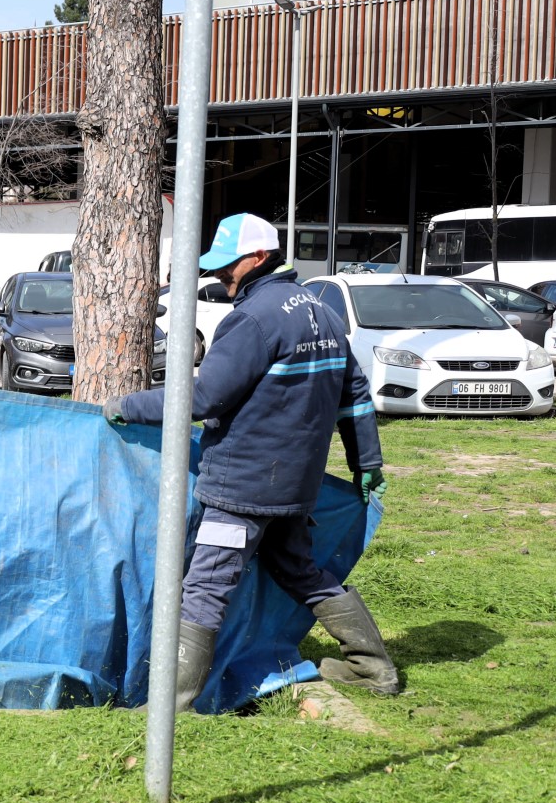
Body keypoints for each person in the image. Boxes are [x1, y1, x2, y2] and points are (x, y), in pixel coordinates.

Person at [105, 212, 399, 712]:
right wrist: (366, 460)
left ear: (259, 258)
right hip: (294, 488)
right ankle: (373, 667)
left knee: (204, 587)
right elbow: (355, 396)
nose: (221, 277)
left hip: (242, 489)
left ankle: (168, 710)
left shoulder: (252, 320)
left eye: (227, 266)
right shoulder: (323, 310)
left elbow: (202, 399)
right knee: (301, 570)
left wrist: (126, 406)